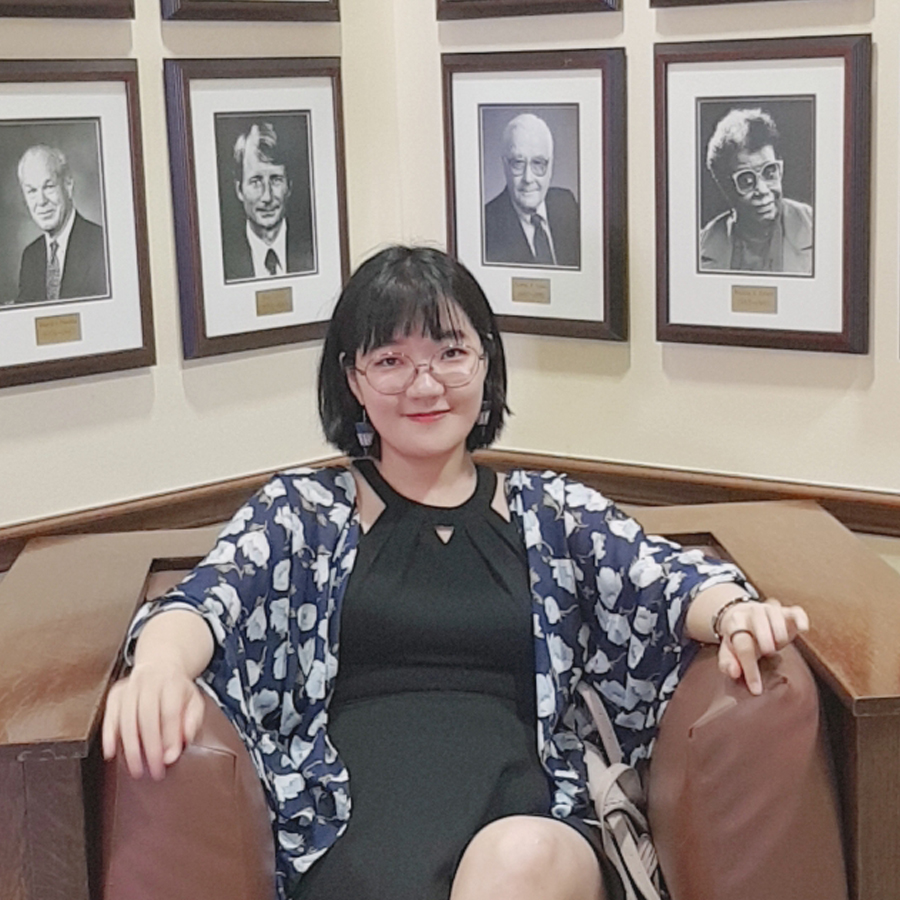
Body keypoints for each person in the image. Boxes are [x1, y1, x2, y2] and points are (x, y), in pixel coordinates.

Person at [103, 246, 808, 900]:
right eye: (390, 360)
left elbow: (661, 579)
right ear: (352, 378)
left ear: (486, 363)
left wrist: (732, 614)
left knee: (518, 858)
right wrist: (160, 667)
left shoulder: (549, 511)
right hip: (347, 823)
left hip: (527, 814)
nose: (425, 384)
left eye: (450, 352)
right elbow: (209, 597)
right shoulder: (305, 512)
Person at [700, 108, 813, 275]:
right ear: (725, 187)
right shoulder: (702, 246)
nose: (762, 189)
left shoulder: (814, 227)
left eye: (770, 172)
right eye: (746, 180)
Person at [483, 113, 580, 268]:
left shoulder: (566, 204)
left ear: (551, 165)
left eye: (538, 163)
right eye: (518, 163)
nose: (528, 178)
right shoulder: (486, 225)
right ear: (504, 165)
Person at [222, 121, 314, 282]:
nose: (267, 197)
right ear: (239, 189)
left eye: (276, 180)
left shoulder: (312, 250)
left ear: (289, 186)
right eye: (255, 181)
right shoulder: (224, 258)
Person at [16, 144, 108, 304]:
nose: (41, 201)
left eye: (49, 186)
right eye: (32, 191)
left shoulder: (102, 245)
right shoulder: (30, 256)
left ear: (68, 185)